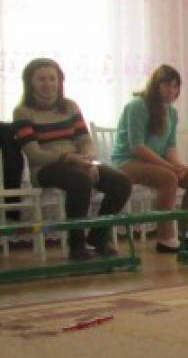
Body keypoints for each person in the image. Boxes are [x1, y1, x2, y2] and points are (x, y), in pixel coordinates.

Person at [11, 58, 132, 261]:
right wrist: (69, 158)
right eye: (41, 79)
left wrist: (88, 157)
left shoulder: (70, 106)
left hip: (78, 162)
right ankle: (76, 244)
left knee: (121, 182)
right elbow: (34, 153)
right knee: (80, 180)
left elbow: (84, 139)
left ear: (60, 81)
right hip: (45, 168)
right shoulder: (23, 111)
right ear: (30, 82)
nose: (48, 84)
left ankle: (98, 236)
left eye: (52, 78)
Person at [111, 65, 188, 253]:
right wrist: (169, 167)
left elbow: (170, 146)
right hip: (127, 162)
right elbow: (137, 147)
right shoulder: (137, 105)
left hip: (155, 163)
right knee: (168, 178)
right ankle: (165, 237)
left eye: (175, 86)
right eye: (166, 85)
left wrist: (177, 166)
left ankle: (182, 231)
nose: (171, 90)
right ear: (156, 85)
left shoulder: (172, 113)